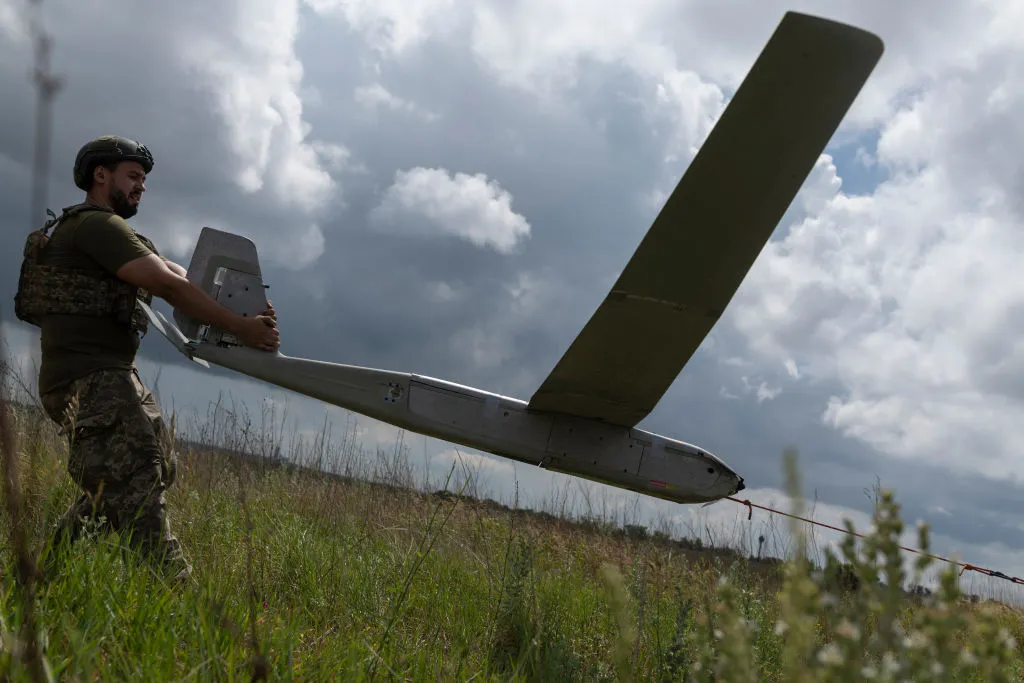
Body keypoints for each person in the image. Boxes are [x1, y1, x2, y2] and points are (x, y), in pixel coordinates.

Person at [24, 135, 280, 583]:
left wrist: (245, 309)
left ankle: (41, 584)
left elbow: (184, 276)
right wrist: (240, 327)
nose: (141, 186)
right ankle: (180, 599)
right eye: (134, 176)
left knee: (141, 473)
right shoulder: (96, 227)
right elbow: (169, 286)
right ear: (101, 175)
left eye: (143, 179)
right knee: (138, 479)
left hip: (110, 375)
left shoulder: (110, 231)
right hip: (91, 379)